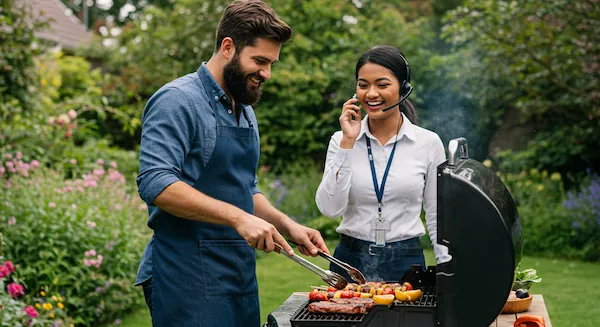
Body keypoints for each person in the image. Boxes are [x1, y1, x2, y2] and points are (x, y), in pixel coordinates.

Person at [134, 1, 329, 326]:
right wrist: (239, 218)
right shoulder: (177, 101)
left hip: (237, 273)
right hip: (186, 275)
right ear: (228, 47)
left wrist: (285, 223)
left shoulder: (245, 110)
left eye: (271, 63)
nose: (266, 73)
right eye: (260, 61)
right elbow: (156, 183)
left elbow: (245, 188)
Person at [315, 45, 451, 283]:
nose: (371, 93)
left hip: (406, 262)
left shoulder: (428, 143)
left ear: (403, 88)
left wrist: (448, 269)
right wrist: (348, 142)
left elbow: (437, 215)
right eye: (363, 84)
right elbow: (329, 208)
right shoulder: (341, 140)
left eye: (382, 84)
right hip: (350, 262)